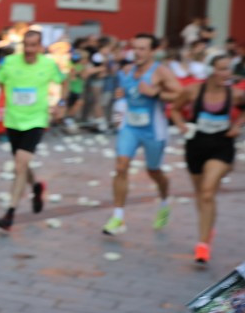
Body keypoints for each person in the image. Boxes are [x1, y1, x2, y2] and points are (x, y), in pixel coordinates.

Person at [101, 34, 181, 236]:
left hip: (153, 130)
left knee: (154, 171)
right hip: (130, 127)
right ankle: (118, 217)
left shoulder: (161, 72)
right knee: (121, 166)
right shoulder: (127, 70)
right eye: (135, 48)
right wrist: (119, 107)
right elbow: (124, 95)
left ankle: (164, 202)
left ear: (152, 51)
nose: (137, 52)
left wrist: (156, 93)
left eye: (143, 48)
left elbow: (180, 94)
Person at [169, 54, 245, 265]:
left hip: (221, 147)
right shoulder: (193, 90)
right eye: (221, 69)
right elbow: (174, 109)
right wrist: (181, 125)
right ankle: (207, 227)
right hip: (195, 146)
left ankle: (202, 245)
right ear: (210, 69)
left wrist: (238, 125)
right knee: (201, 194)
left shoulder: (236, 94)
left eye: (228, 69)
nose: (226, 73)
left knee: (208, 191)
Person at [0, 29, 65, 231]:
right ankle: (36, 186)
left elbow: (64, 80)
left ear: (40, 47)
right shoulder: (10, 62)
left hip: (36, 120)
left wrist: (61, 103)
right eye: (27, 45)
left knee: (20, 165)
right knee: (20, 163)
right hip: (13, 120)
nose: (30, 50)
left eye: (34, 46)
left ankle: (10, 213)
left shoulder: (48, 64)